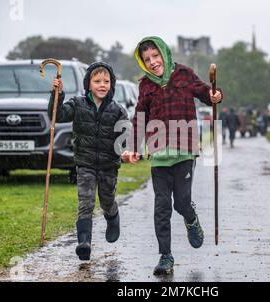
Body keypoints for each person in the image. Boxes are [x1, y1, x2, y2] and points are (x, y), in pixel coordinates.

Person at [122, 36, 223, 276]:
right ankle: (165, 255)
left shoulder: (184, 74)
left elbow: (204, 92)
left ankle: (191, 218)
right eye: (147, 60)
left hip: (185, 149)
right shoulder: (146, 84)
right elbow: (139, 117)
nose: (153, 62)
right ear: (143, 63)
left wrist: (214, 95)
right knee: (162, 206)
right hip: (159, 154)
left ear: (164, 54)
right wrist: (133, 146)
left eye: (156, 56)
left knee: (181, 201)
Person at [48, 62, 129, 261]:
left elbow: (124, 137)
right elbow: (56, 116)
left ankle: (113, 218)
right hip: (85, 163)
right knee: (86, 201)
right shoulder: (78, 104)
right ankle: (84, 242)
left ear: (112, 84)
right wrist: (57, 95)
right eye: (97, 81)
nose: (102, 85)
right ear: (88, 84)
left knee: (106, 200)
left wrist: (125, 150)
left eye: (106, 81)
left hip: (109, 165)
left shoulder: (118, 110)